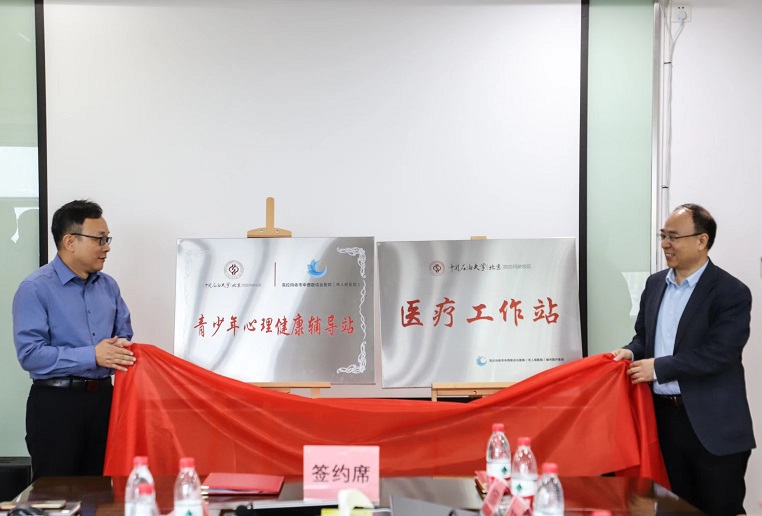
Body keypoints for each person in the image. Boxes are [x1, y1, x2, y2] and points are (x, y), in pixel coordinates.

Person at [611, 203, 754, 515]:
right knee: (671, 508)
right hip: (663, 422)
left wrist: (658, 368)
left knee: (720, 508)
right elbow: (644, 338)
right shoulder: (654, 284)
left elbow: (721, 353)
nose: (665, 244)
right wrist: (630, 352)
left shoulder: (730, 291)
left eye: (673, 237)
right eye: (663, 236)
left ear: (702, 241)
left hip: (713, 426)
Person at [12, 200, 137, 479]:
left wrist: (121, 346)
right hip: (56, 405)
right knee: (55, 491)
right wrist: (93, 355)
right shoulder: (35, 288)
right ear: (70, 241)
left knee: (104, 489)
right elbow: (30, 355)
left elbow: (123, 335)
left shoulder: (109, 286)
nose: (106, 247)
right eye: (100, 239)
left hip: (104, 402)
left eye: (107, 239)